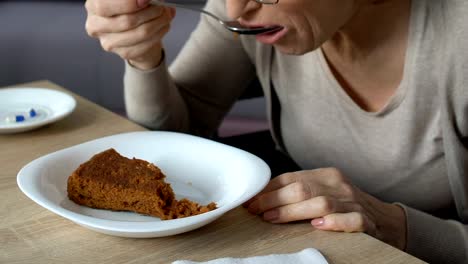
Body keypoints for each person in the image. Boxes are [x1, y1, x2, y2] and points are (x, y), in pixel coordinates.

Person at [84, 0, 468, 262]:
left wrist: (393, 226)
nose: (236, 9)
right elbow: (176, 134)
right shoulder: (249, 12)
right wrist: (143, 57)